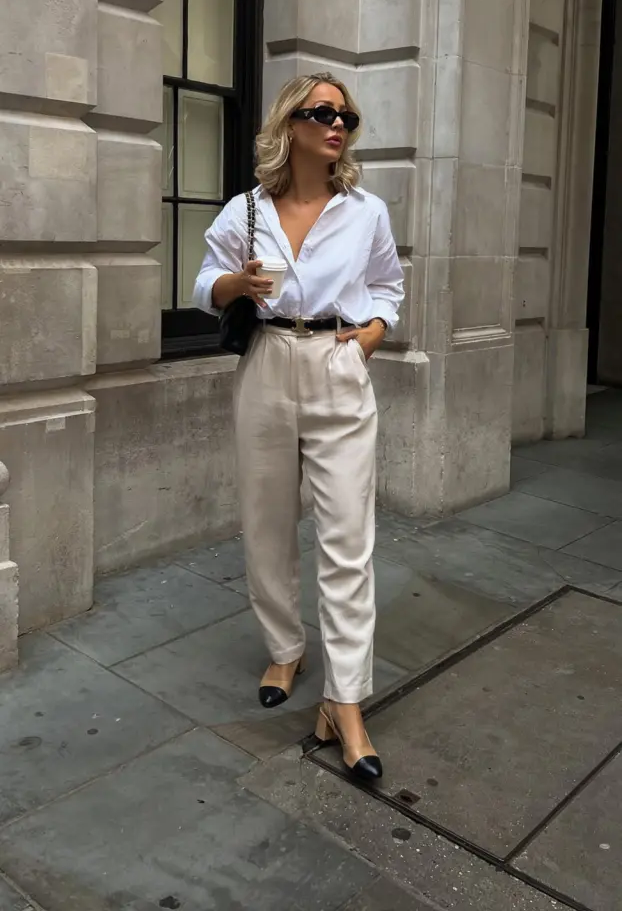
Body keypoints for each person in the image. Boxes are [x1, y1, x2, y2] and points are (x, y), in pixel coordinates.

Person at [193, 72, 404, 781]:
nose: (338, 124)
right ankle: (285, 647)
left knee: (348, 537)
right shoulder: (245, 211)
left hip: (338, 361)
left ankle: (345, 702)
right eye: (323, 112)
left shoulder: (366, 211)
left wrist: (373, 332)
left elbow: (388, 286)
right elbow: (203, 283)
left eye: (346, 115)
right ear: (292, 124)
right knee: (266, 522)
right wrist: (236, 286)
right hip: (268, 360)